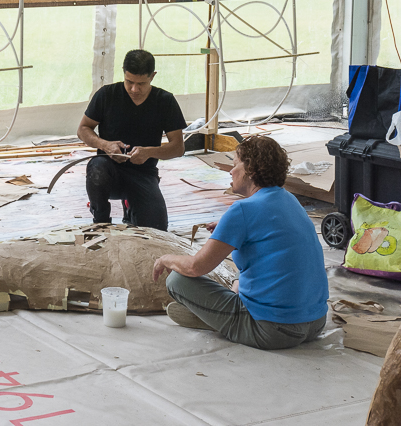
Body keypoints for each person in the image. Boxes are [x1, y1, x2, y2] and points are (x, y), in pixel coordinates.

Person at [152, 135, 328, 350]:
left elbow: (195, 267)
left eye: (235, 164)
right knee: (246, 266)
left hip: (274, 330)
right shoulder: (289, 199)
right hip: (316, 322)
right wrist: (229, 227)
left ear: (251, 170)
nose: (230, 171)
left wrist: (165, 259)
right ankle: (225, 313)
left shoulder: (242, 210)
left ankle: (218, 319)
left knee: (177, 280)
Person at [77, 49, 186, 231]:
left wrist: (148, 152)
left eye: (141, 84)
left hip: (143, 173)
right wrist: (105, 145)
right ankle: (101, 219)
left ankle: (131, 206)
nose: (134, 89)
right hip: (109, 170)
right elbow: (83, 129)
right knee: (97, 168)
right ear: (123, 73)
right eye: (129, 82)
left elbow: (178, 148)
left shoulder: (165, 101)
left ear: (152, 76)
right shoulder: (107, 94)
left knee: (156, 229)